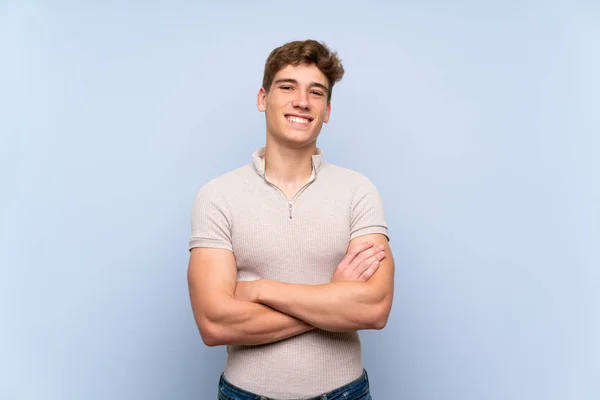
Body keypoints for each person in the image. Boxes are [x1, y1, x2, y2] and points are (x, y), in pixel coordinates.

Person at [187, 39, 394, 400]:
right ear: (262, 99)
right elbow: (214, 323)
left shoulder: (358, 191)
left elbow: (374, 308)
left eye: (316, 92)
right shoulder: (217, 196)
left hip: (344, 393)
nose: (302, 101)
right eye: (288, 87)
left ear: (327, 110)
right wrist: (333, 298)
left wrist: (260, 290)